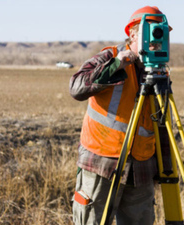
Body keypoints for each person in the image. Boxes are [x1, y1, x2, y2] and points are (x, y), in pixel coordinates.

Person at [69, 6, 172, 225]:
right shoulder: (111, 57)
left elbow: (163, 124)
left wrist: (166, 168)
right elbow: (76, 88)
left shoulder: (159, 70)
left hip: (142, 168)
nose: (157, 38)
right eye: (152, 31)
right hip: (102, 163)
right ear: (133, 33)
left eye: (161, 32)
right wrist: (116, 65)